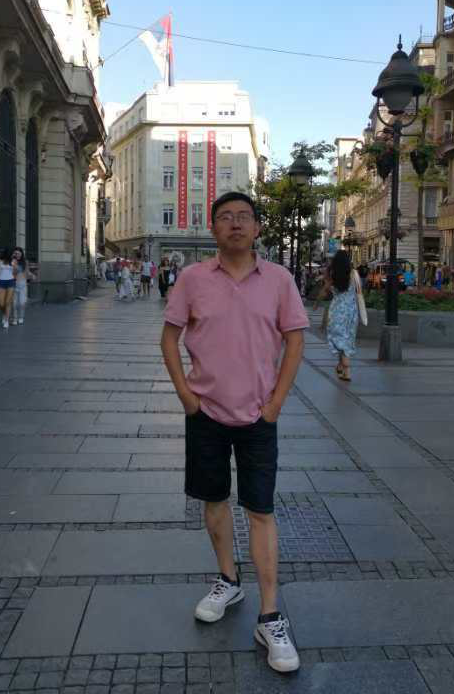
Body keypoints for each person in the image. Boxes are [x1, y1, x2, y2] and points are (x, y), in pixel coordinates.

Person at [161, 191, 308, 674]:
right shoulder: (192, 278)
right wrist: (186, 396)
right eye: (225, 217)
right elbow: (169, 337)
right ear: (214, 229)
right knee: (214, 500)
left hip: (258, 417)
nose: (236, 224)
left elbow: (294, 341)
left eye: (244, 216)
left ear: (258, 227)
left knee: (260, 510)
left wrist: (276, 403)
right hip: (205, 412)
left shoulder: (280, 280)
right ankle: (228, 580)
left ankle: (270, 616)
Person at [317, 250, 361, 381]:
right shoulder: (354, 274)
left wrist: (316, 303)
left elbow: (324, 292)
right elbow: (359, 292)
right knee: (347, 338)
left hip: (336, 310)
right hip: (351, 311)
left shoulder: (332, 275)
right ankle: (343, 367)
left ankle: (344, 367)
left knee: (339, 338)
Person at [0, 248, 16, 329]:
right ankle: (5, 314)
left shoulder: (13, 261)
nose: (14, 255)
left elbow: (15, 273)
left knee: (8, 302)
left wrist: (14, 266)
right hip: (1, 282)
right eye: (12, 254)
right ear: (8, 254)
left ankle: (6, 320)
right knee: (1, 303)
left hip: (11, 282)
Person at [10, 247, 33, 325]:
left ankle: (21, 317)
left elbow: (27, 272)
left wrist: (32, 275)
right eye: (15, 253)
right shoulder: (12, 261)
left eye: (18, 253)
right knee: (14, 303)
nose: (17, 255)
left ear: (21, 254)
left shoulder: (25, 262)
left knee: (22, 303)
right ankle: (15, 319)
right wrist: (13, 262)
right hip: (14, 283)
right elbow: (12, 272)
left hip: (22, 284)